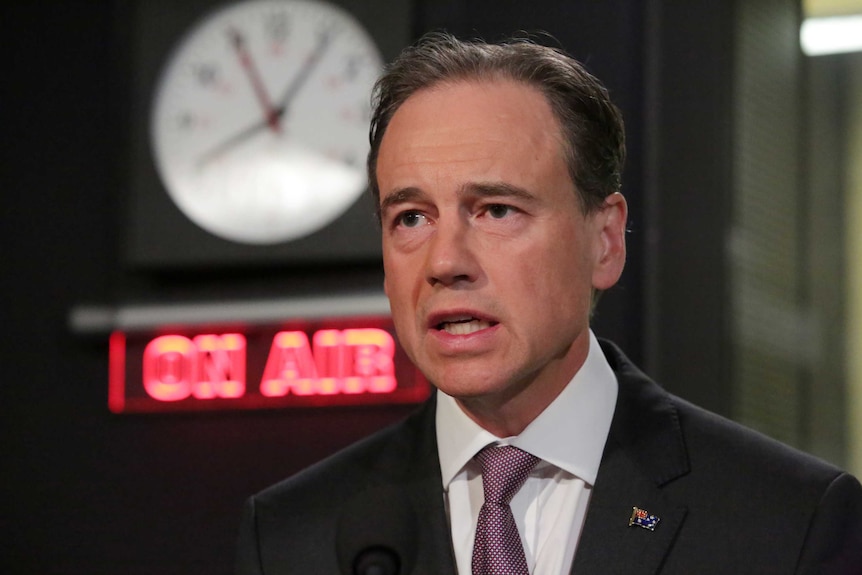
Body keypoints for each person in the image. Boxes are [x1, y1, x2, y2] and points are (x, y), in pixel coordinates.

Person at [235, 32, 862, 575]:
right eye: (411, 217)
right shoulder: (294, 536)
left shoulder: (785, 520)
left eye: (497, 210)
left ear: (604, 240)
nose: (445, 262)